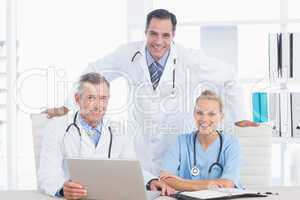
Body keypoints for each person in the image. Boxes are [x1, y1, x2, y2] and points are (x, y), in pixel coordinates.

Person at [44, 9, 257, 176]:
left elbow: (229, 76)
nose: (158, 41)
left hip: (176, 149)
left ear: (173, 35)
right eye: (153, 34)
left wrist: (239, 118)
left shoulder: (189, 59)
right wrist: (67, 105)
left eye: (165, 35)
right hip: (140, 149)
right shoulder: (128, 54)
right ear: (145, 32)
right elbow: (92, 72)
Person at [38, 72, 174, 199]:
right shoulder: (57, 128)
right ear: (77, 99)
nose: (99, 105)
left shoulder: (118, 130)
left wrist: (152, 181)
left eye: (103, 98)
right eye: (91, 98)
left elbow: (130, 170)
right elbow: (47, 174)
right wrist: (63, 189)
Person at [159, 90, 241, 191]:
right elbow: (165, 179)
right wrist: (208, 185)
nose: (204, 119)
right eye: (199, 113)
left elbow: (228, 184)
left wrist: (183, 183)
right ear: (194, 114)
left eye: (211, 114)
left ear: (221, 117)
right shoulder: (181, 142)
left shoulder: (231, 143)